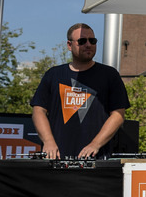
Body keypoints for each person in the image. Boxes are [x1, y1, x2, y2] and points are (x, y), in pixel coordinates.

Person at [30, 24, 130, 159]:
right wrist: (48, 141)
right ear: (69, 45)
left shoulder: (110, 75)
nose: (88, 45)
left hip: (96, 160)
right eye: (82, 41)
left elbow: (118, 114)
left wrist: (95, 144)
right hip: (56, 159)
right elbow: (38, 110)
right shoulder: (53, 74)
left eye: (92, 41)